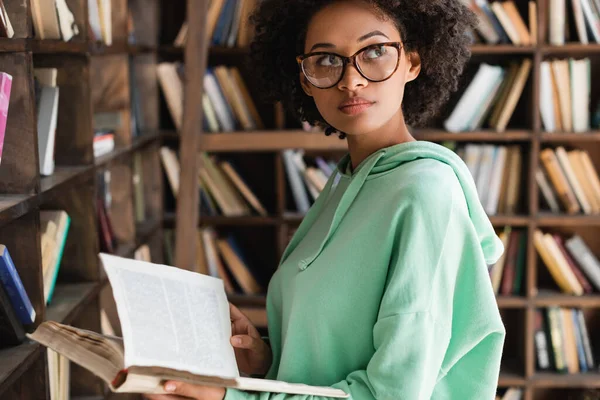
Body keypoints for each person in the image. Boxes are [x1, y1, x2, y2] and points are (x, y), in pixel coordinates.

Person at [146, 0, 506, 399]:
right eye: (326, 60)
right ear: (304, 78)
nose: (350, 80)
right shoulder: (347, 182)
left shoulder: (424, 193)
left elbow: (394, 394)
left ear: (412, 62)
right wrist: (267, 361)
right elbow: (340, 354)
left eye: (374, 52)